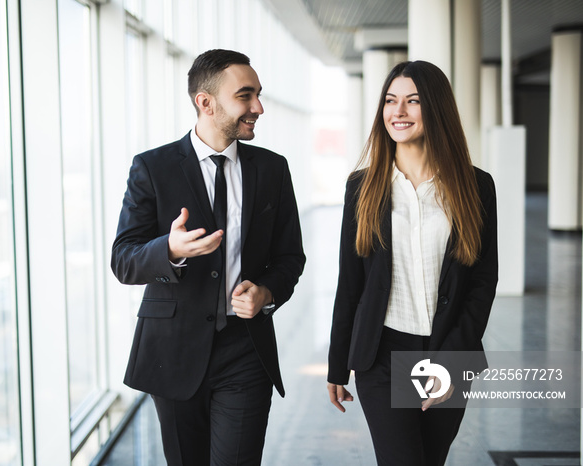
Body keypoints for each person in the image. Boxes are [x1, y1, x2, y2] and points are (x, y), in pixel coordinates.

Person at [111, 49, 305, 466]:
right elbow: (124, 259)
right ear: (206, 102)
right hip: (173, 351)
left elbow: (291, 257)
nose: (258, 108)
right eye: (245, 96)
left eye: (258, 95)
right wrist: (169, 250)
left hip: (245, 350)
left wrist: (267, 292)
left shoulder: (272, 169)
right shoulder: (152, 167)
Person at [326, 60, 498, 466]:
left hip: (449, 350)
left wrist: (452, 360)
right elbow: (350, 283)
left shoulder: (476, 186)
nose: (397, 111)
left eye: (412, 101)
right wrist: (337, 365)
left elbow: (482, 282)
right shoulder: (362, 187)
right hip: (383, 354)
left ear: (436, 109)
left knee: (431, 459)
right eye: (390, 100)